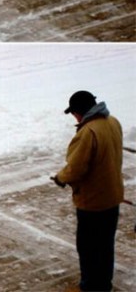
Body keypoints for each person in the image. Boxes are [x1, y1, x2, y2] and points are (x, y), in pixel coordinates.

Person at [52, 90, 124, 292]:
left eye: (74, 113)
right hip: (112, 196)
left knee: (89, 248)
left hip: (93, 201)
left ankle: (90, 287)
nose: (74, 117)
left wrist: (60, 178)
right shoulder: (113, 122)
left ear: (80, 111)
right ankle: (103, 285)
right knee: (105, 246)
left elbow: (76, 167)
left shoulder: (88, 132)